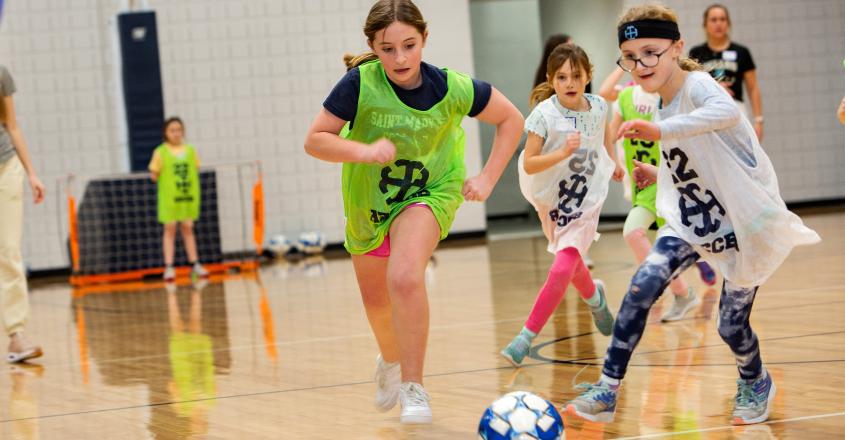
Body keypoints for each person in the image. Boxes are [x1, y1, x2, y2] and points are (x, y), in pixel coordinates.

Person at [565, 4, 820, 425]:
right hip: (694, 218)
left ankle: (756, 380)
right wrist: (659, 169)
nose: (639, 64)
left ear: (677, 47)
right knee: (642, 285)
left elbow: (724, 115)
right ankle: (608, 389)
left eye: (651, 52)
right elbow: (699, 155)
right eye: (629, 56)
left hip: (743, 222)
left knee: (730, 326)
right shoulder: (657, 101)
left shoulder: (699, 85)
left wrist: (661, 133)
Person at [303, 0, 523, 424]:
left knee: (404, 277)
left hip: (431, 192)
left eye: (409, 45)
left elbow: (510, 119)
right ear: (372, 46)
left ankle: (415, 387)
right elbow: (315, 140)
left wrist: (488, 179)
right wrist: (363, 151)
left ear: (424, 39)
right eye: (388, 49)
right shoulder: (358, 84)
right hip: (369, 202)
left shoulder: (452, 87)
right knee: (376, 302)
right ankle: (390, 360)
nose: (400, 58)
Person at [500, 43, 623, 366]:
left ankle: (525, 338)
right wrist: (561, 154)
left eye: (576, 76)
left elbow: (605, 134)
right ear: (551, 79)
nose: (570, 83)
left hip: (585, 198)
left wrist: (615, 161)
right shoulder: (543, 115)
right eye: (562, 77)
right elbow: (529, 163)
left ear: (587, 77)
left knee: (563, 263)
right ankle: (596, 300)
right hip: (551, 197)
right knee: (570, 260)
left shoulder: (598, 106)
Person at [609, 81, 719, 323]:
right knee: (653, 241)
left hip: (668, 181)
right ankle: (683, 292)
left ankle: (680, 287)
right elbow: (609, 132)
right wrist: (613, 162)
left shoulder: (671, 98)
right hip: (643, 184)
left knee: (634, 233)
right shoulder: (626, 97)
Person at [0, 65, 45, 363]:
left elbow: (12, 125)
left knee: (9, 251)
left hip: (6, 169)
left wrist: (32, 173)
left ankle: (16, 336)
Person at [688, 4, 764, 141]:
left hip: (736, 107)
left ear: (728, 23)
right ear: (705, 24)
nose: (719, 24)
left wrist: (758, 120)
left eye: (723, 19)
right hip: (708, 108)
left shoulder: (741, 52)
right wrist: (716, 88)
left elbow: (753, 88)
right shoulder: (696, 53)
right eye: (714, 19)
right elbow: (690, 86)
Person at [149, 117, 208, 281]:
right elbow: (154, 175)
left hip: (187, 197)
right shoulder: (160, 152)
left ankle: (195, 263)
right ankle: (169, 267)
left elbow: (195, 169)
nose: (176, 133)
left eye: (179, 130)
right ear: (166, 133)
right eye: (172, 130)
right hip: (169, 198)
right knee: (170, 228)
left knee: (188, 227)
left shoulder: (190, 150)